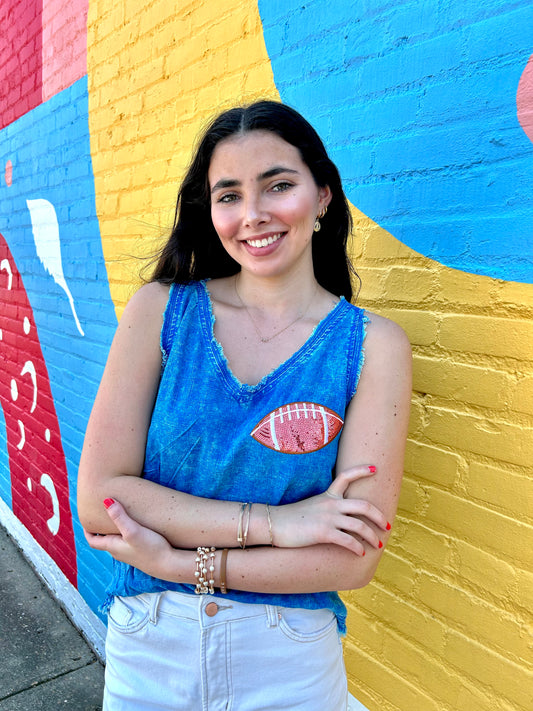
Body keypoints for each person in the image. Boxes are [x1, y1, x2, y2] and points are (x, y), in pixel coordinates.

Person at [77, 100, 412, 711]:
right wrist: (279, 526)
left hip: (288, 658)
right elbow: (104, 498)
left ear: (324, 196)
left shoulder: (372, 346)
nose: (252, 215)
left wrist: (180, 561)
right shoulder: (161, 312)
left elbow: (350, 560)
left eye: (278, 185)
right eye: (228, 195)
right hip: (149, 648)